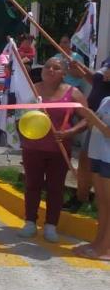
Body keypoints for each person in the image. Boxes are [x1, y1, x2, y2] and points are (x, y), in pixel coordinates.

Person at [18, 57, 88, 243]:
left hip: (59, 149)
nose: (50, 70)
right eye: (47, 66)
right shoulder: (33, 90)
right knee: (32, 185)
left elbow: (88, 118)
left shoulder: (73, 93)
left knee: (55, 188)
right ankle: (30, 222)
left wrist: (70, 132)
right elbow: (19, 114)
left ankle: (51, 226)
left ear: (64, 73)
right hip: (32, 148)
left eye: (56, 68)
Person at [75, 102, 110, 260]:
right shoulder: (106, 100)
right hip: (98, 154)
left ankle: (105, 247)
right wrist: (89, 119)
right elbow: (93, 127)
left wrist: (92, 117)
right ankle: (98, 242)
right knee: (102, 202)